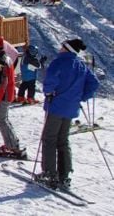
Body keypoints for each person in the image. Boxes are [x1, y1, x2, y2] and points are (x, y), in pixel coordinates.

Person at [36, 38, 100, 191]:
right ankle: (64, 175)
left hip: (56, 106)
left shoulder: (58, 62)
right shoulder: (81, 65)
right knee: (63, 140)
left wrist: (49, 92)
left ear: (67, 48)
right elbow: (94, 83)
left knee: (49, 139)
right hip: (71, 108)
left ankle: (49, 174)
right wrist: (82, 96)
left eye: (62, 46)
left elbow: (50, 80)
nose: (59, 48)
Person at [0, 42, 25, 158]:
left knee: (1, 120)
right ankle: (12, 143)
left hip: (3, 96)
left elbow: (3, 82)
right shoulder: (4, 58)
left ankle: (12, 146)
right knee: (3, 120)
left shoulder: (0, 61)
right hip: (5, 95)